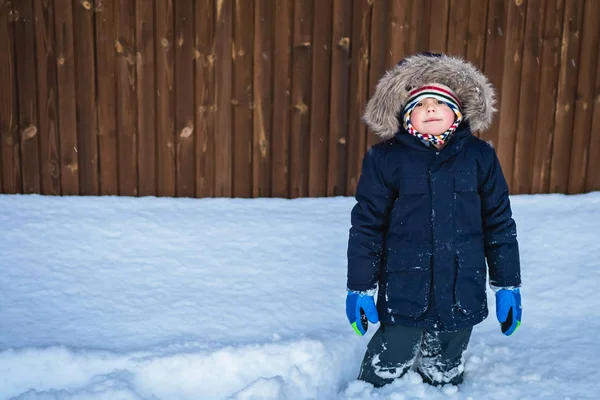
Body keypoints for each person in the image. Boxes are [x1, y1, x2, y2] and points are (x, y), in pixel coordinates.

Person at [345, 53, 522, 387]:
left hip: (462, 281)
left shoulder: (480, 157)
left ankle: (442, 382)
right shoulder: (386, 159)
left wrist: (507, 284)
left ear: (456, 111)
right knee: (393, 350)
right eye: (419, 103)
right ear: (405, 115)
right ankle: (373, 388)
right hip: (405, 282)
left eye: (438, 102)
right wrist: (360, 287)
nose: (429, 108)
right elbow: (367, 226)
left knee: (447, 354)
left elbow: (499, 223)